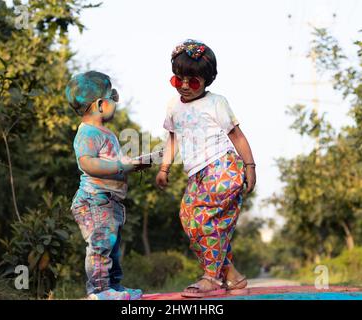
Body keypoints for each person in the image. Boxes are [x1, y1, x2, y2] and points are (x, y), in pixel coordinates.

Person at [156, 40, 256, 298]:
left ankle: (211, 278)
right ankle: (231, 275)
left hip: (222, 167)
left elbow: (237, 136)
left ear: (206, 81)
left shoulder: (216, 103)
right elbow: (172, 138)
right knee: (189, 220)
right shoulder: (173, 106)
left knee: (204, 221)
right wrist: (164, 168)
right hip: (197, 175)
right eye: (179, 80)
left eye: (194, 81)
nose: (185, 86)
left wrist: (250, 166)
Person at [66, 71, 150, 300]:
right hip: (95, 200)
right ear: (101, 104)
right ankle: (99, 291)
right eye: (113, 96)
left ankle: (114, 287)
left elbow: (114, 163)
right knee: (101, 244)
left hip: (109, 201)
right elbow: (88, 163)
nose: (115, 101)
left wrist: (135, 165)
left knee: (112, 246)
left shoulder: (106, 133)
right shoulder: (88, 132)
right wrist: (123, 166)